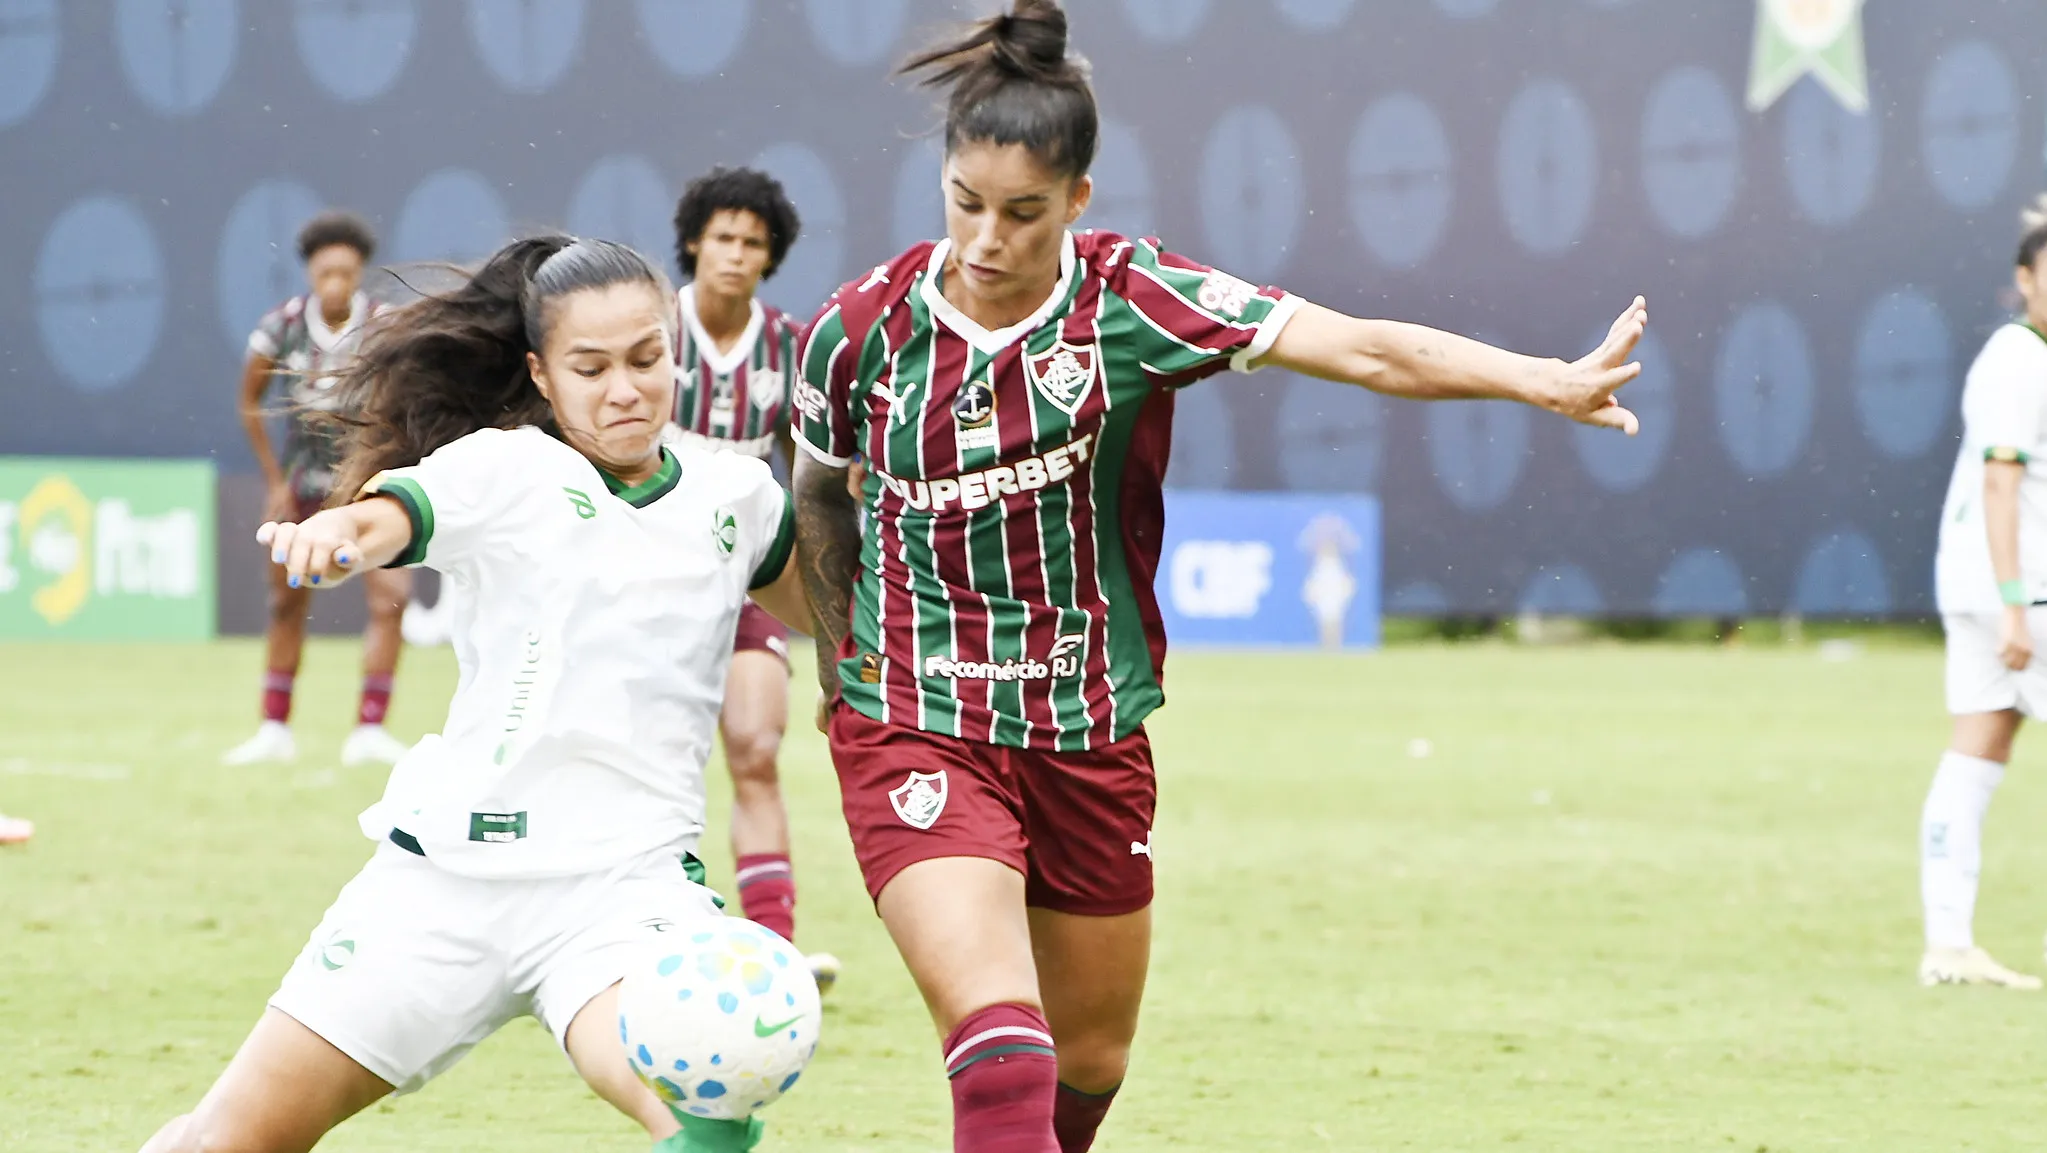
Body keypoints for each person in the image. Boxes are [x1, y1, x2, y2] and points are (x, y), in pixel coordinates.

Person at [788, 3, 1649, 1149]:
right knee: (1002, 1048)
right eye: (965, 203)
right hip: (917, 720)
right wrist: (847, 673)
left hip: (1086, 723)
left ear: (1079, 202)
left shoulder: (1131, 300)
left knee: (1088, 1059)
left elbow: (1363, 347)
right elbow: (816, 495)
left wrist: (1542, 380)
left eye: (1023, 212)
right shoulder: (861, 330)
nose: (986, 238)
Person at [141, 236, 807, 1153]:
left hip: (623, 895)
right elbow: (392, 515)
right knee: (225, 1141)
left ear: (675, 350)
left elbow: (835, 611)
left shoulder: (738, 497)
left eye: (647, 359)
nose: (624, 389)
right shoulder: (504, 467)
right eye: (592, 367)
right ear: (541, 371)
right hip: (445, 885)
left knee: (709, 1104)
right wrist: (334, 532)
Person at [668, 166, 838, 990]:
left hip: (740, 579)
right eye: (723, 237)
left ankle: (775, 952)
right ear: (694, 240)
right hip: (642, 581)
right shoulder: (646, 330)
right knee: (644, 762)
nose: (735, 254)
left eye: (753, 243)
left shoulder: (789, 346)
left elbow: (809, 470)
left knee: (757, 747)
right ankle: (642, 934)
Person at [224, 210, 413, 769]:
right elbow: (248, 401)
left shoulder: (383, 325)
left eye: (346, 274)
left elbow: (409, 398)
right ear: (310, 273)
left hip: (366, 486)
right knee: (286, 601)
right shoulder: (281, 327)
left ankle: (370, 730)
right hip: (303, 486)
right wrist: (275, 480)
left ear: (359, 275)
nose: (335, 284)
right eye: (326, 273)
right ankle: (274, 727)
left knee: (390, 599)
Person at [1918, 195, 2047, 990]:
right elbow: (2001, 482)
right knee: (1977, 746)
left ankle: (1948, 945)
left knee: (1978, 747)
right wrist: (2012, 599)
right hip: (2016, 590)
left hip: (1980, 582)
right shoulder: (2018, 361)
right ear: (2022, 280)